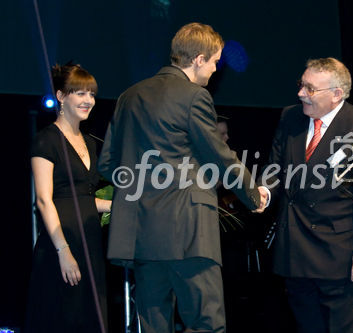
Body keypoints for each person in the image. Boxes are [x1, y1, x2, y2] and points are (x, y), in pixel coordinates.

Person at [98, 22, 267, 333]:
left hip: (142, 232)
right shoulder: (194, 96)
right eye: (216, 61)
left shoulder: (128, 96)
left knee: (153, 324)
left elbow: (108, 163)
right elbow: (219, 154)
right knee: (206, 322)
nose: (216, 70)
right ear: (199, 58)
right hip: (189, 230)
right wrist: (253, 194)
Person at [261, 57, 353, 333]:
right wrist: (264, 191)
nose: (300, 94)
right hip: (295, 253)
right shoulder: (290, 118)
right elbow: (275, 168)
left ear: (336, 94)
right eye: (301, 85)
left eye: (310, 88)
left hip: (342, 257)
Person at [25, 63, 111, 332]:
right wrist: (64, 251)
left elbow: (83, 198)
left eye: (92, 94)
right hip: (61, 245)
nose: (89, 101)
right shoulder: (46, 140)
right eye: (80, 93)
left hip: (90, 245)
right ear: (61, 96)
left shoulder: (91, 143)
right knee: (61, 318)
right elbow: (44, 199)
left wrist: (119, 205)